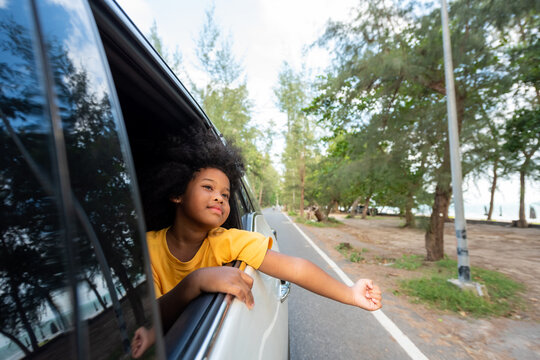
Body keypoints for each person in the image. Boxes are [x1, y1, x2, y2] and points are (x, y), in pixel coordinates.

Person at [131, 130, 382, 358]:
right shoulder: (147, 248)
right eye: (208, 187)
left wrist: (350, 293)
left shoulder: (228, 241)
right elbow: (150, 316)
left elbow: (296, 268)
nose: (219, 196)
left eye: (226, 195)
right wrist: (195, 282)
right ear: (177, 193)